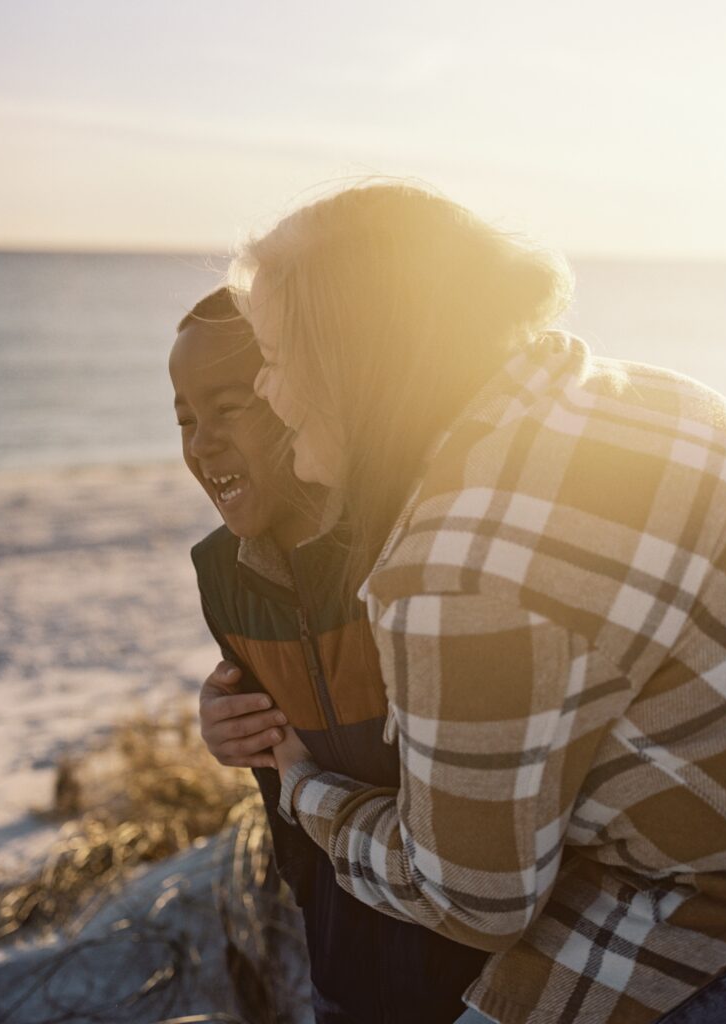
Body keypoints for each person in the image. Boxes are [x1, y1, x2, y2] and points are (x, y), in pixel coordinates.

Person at [228, 182, 726, 1024]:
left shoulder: (459, 570)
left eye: (275, 354)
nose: (262, 388)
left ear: (351, 359)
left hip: (708, 921)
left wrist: (302, 788)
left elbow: (471, 901)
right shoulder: (664, 398)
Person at [171, 287, 491, 1023]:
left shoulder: (407, 549)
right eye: (184, 418)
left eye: (229, 407)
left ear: (301, 396)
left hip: (484, 968)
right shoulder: (221, 574)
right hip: (342, 959)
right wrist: (230, 731)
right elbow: (279, 772)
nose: (201, 442)